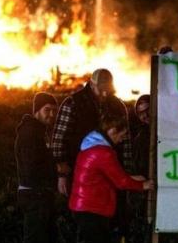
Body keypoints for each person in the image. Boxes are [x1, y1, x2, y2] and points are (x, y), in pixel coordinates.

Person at [68, 114, 153, 243]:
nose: (122, 140)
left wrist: (136, 179)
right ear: (112, 131)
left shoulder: (90, 144)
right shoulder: (104, 152)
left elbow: (114, 176)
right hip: (92, 209)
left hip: (82, 207)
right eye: (121, 135)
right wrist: (144, 185)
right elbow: (121, 181)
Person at [51, 68, 132, 197]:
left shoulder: (118, 106)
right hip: (80, 174)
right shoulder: (73, 103)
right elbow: (59, 141)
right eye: (101, 90)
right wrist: (62, 174)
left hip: (111, 177)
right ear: (92, 84)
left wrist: (127, 174)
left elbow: (126, 143)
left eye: (108, 90)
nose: (105, 94)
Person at [14, 92, 58, 243]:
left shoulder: (38, 131)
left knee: (42, 240)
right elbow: (32, 167)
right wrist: (56, 169)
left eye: (54, 111)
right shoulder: (31, 133)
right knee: (33, 241)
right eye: (47, 110)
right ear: (37, 110)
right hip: (34, 194)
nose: (51, 115)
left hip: (38, 193)